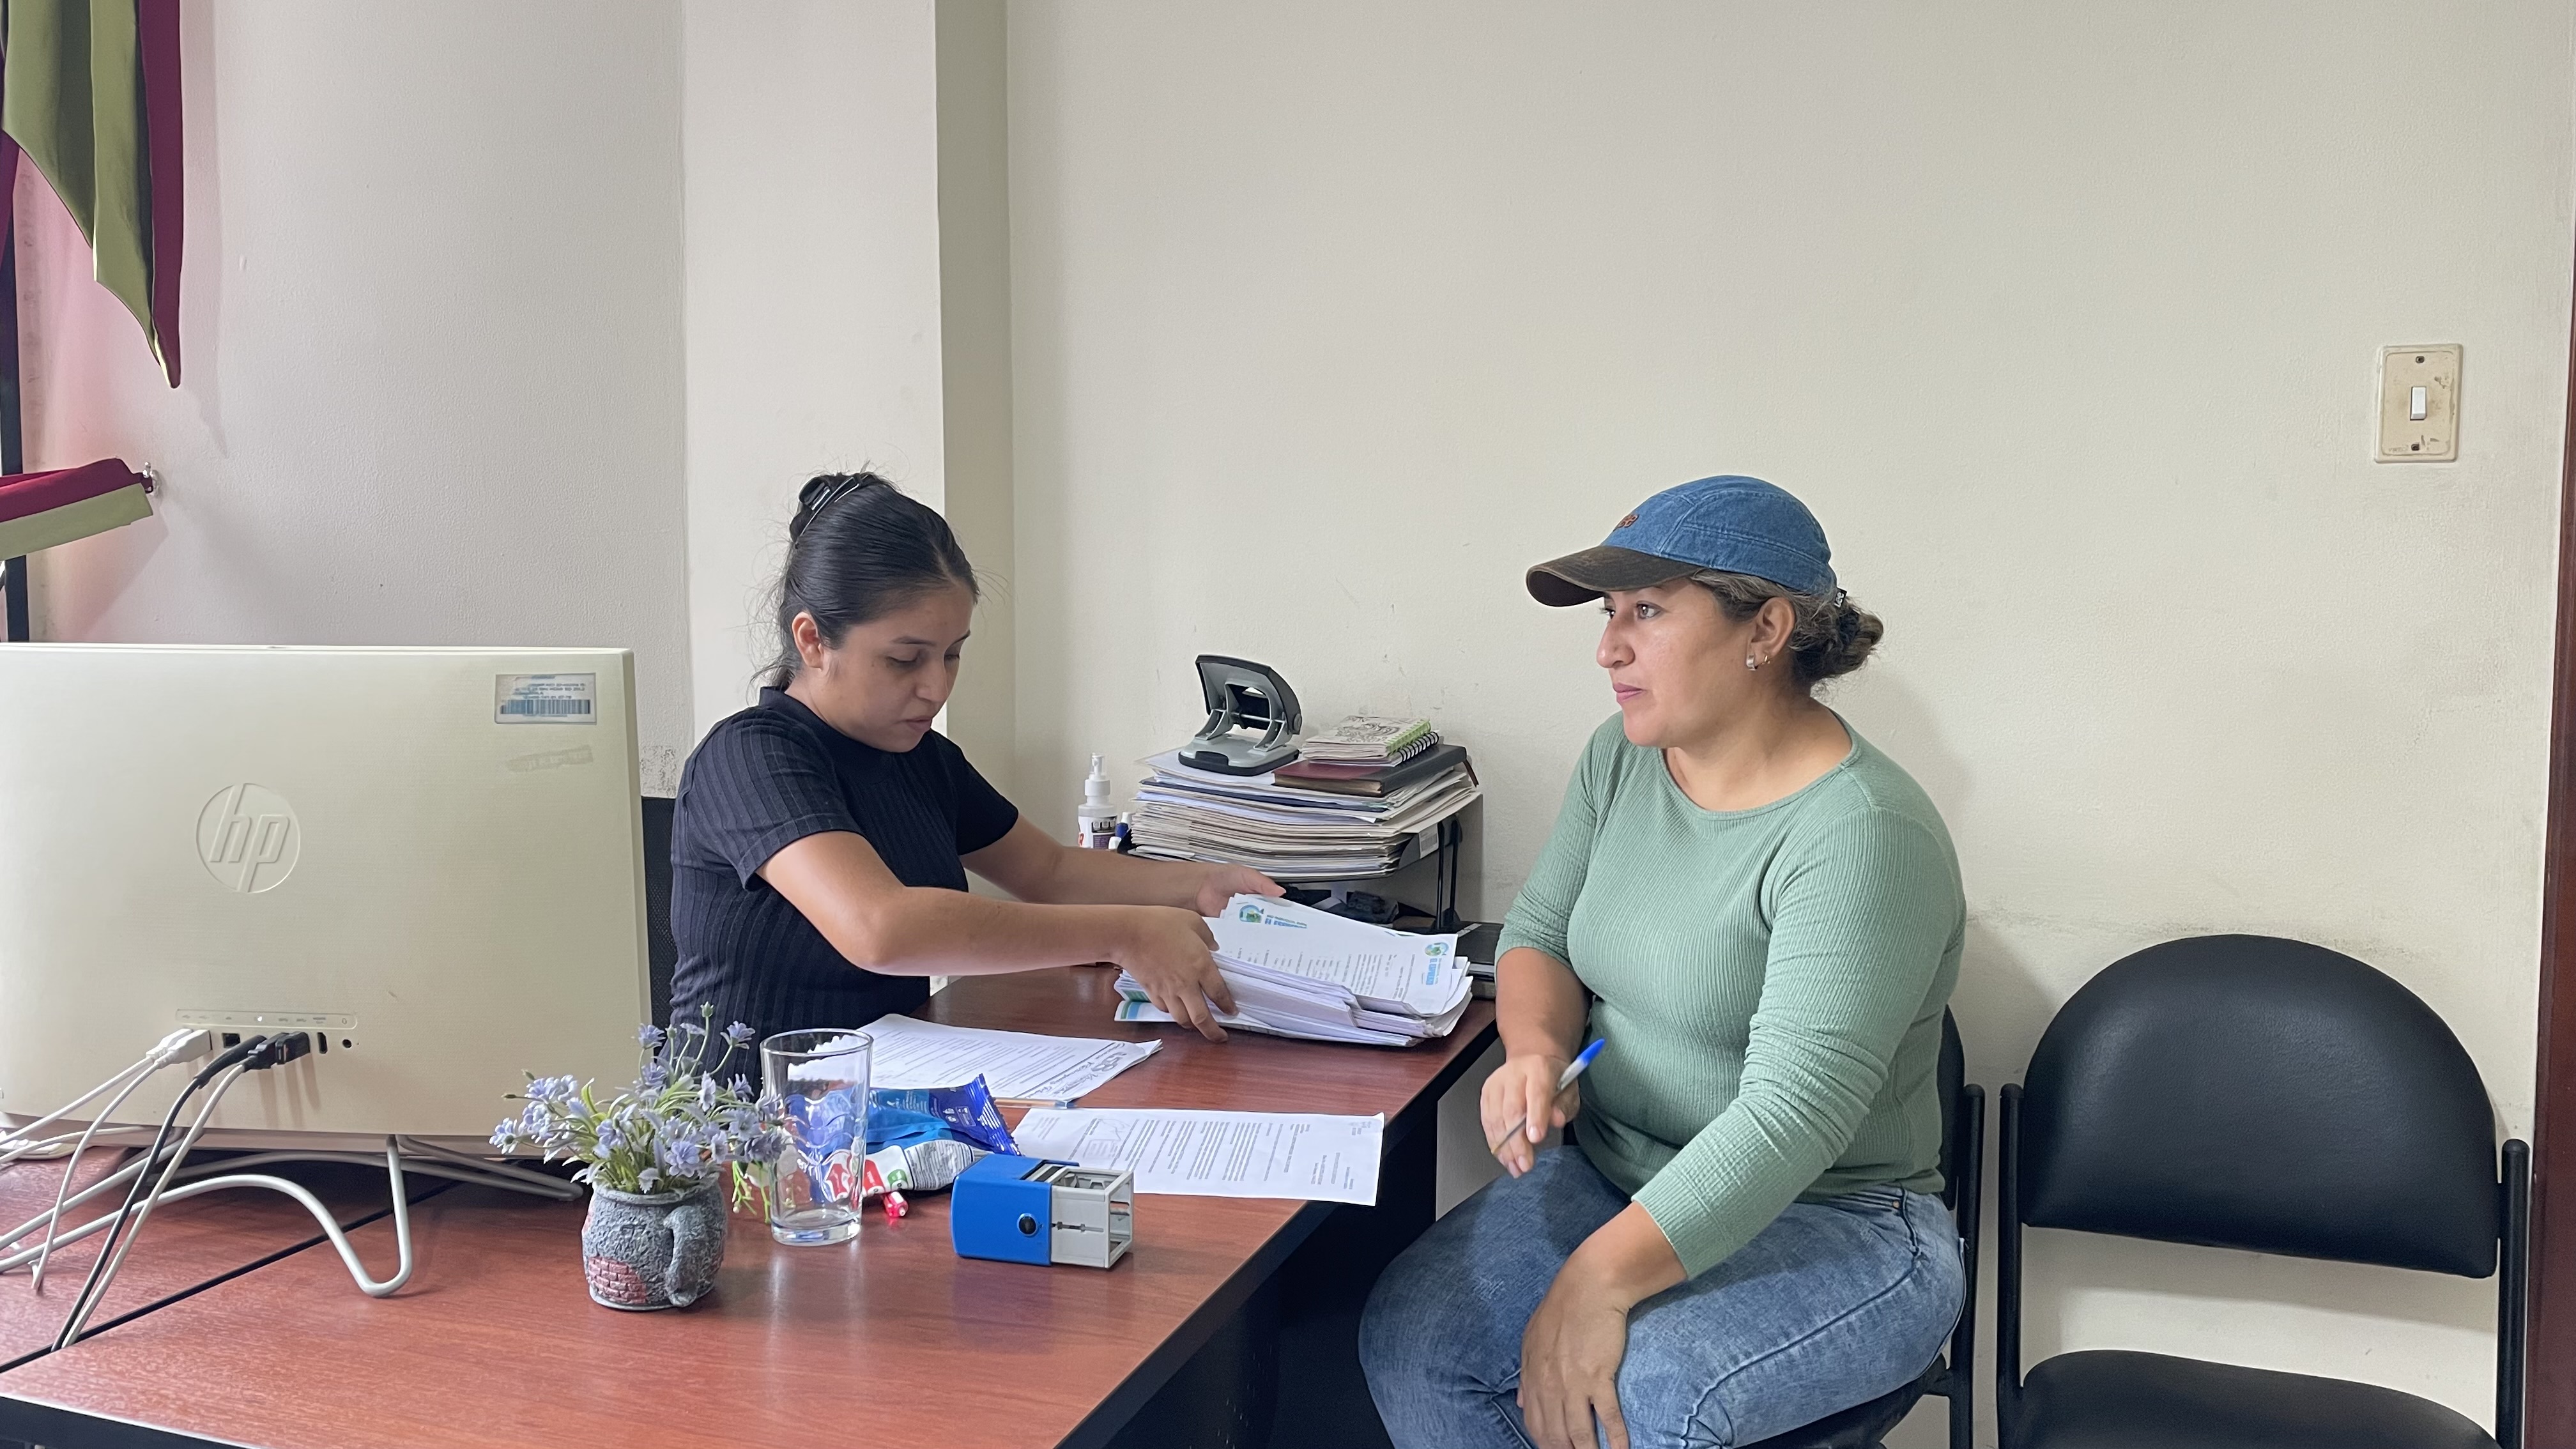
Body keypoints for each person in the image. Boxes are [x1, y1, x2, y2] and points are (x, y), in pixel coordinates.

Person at [1360, 476, 1966, 1449]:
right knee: (1417, 1338)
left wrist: (1595, 1282)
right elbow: (1540, 935)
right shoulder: (1624, 756)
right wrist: (1536, 1051)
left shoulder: (1863, 833)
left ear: (1765, 629)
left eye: (1646, 611)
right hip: (1619, 1171)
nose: (1608, 648)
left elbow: (1792, 1117)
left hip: (1838, 1218)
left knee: (1644, 1403)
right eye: (1608, 613)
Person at [668, 471, 1278, 1046]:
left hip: (884, 1089)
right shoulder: (748, 758)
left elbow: (1049, 872)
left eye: (952, 654)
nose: (937, 687)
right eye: (905, 659)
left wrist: (1202, 884)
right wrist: (1126, 933)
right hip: (749, 1111)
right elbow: (881, 928)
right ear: (813, 641)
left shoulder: (921, 756)